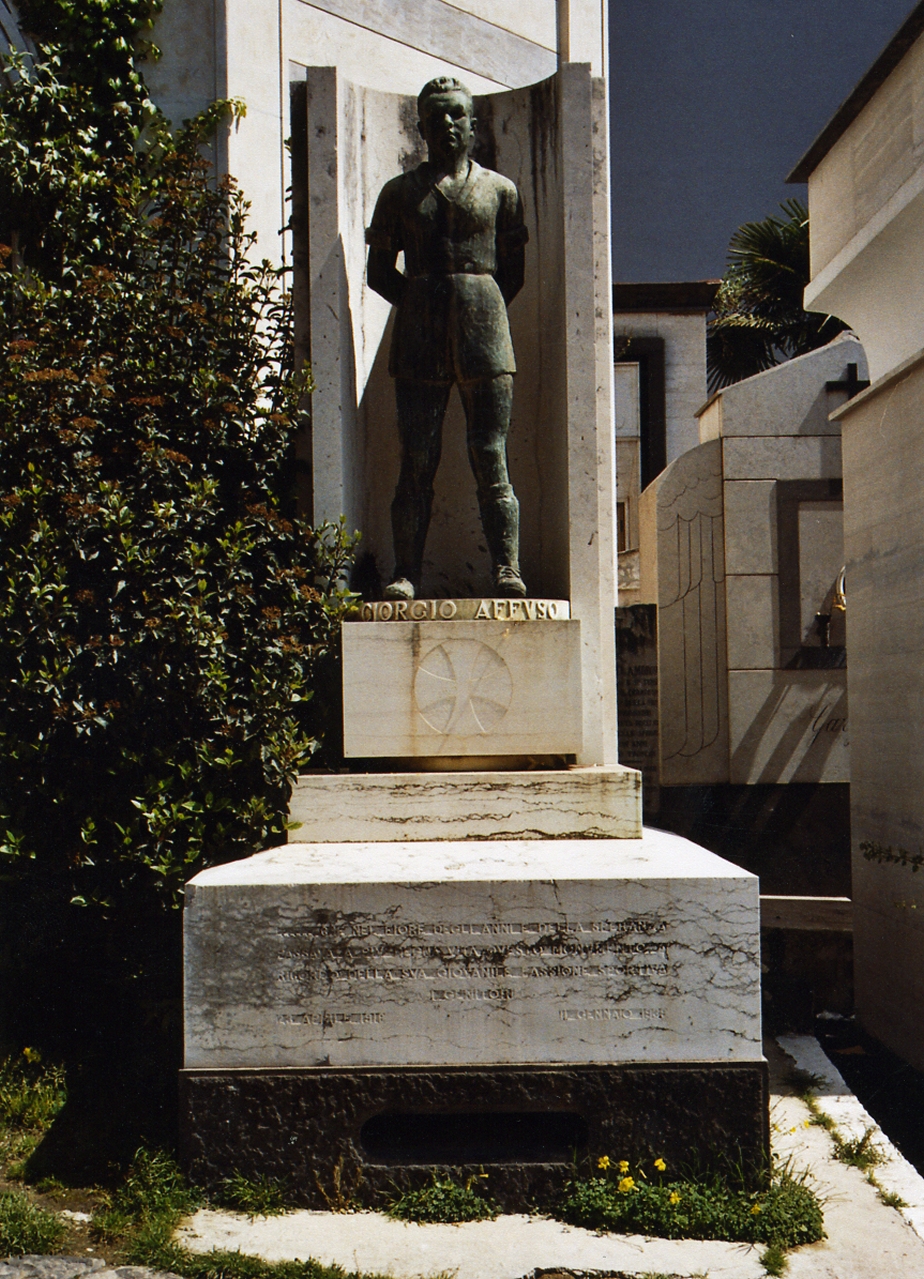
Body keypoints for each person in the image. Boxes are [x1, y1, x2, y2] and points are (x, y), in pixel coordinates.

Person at [365, 76, 529, 600]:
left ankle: (506, 567)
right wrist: (422, 303)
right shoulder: (399, 192)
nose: (447, 125)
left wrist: (474, 302)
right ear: (421, 128)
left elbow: (514, 272)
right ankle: (407, 572)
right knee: (417, 457)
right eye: (436, 117)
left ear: (474, 125)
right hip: (418, 340)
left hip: (485, 336)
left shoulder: (502, 191)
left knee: (490, 453)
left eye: (457, 114)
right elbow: (378, 272)